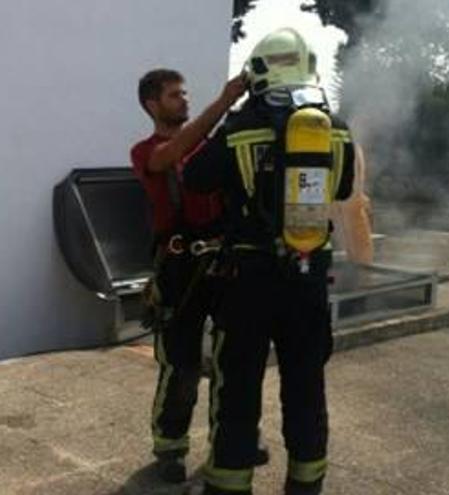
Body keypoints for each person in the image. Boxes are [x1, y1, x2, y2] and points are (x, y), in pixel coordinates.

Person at [183, 28, 354, 495]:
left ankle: (229, 484)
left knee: (238, 386)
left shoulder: (240, 127)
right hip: (309, 275)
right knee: (305, 385)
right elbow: (340, 190)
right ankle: (306, 483)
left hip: (248, 278)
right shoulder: (334, 126)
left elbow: (195, 178)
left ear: (257, 71)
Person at [130, 68, 262, 483]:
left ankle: (233, 441)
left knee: (233, 362)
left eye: (185, 94)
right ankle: (170, 448)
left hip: (223, 261)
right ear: (152, 104)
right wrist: (223, 103)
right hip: (180, 268)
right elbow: (173, 156)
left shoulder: (209, 145)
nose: (184, 101)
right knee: (182, 364)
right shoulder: (145, 151)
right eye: (174, 96)